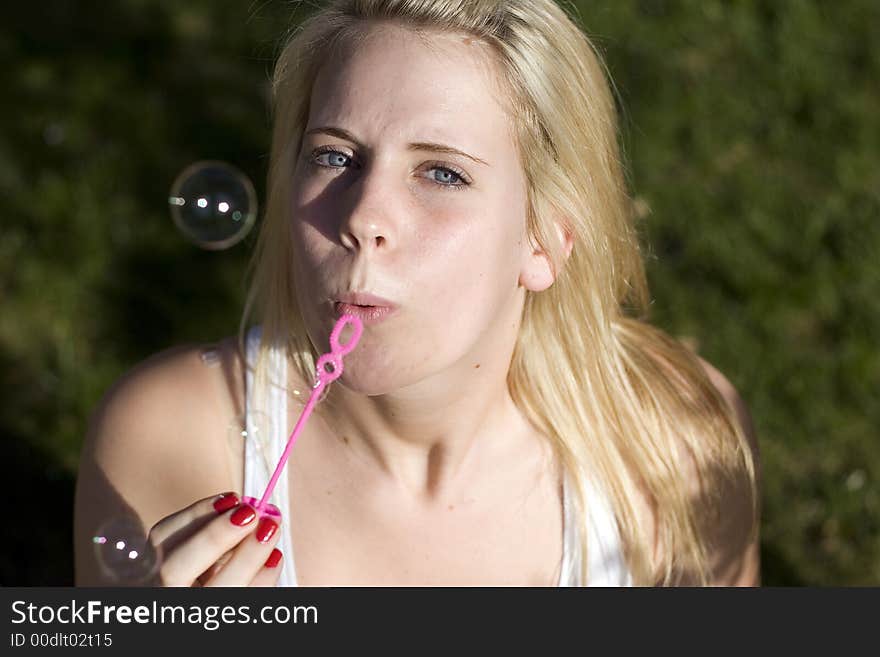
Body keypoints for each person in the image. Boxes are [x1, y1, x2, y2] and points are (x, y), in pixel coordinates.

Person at [74, 0, 760, 587]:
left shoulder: (673, 448)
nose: (363, 216)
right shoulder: (173, 439)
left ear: (545, 240)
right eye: (335, 156)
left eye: (440, 173)